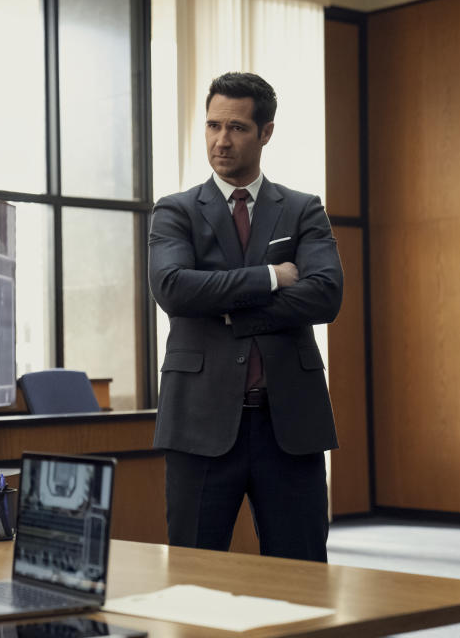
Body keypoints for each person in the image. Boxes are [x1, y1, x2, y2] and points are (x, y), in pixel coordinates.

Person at [148, 72, 342, 562]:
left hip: (290, 426)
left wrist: (227, 312)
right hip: (199, 422)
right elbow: (173, 289)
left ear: (266, 132)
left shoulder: (302, 210)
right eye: (213, 126)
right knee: (194, 574)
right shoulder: (175, 212)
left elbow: (325, 297)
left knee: (302, 577)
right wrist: (271, 278)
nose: (221, 140)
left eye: (236, 127)